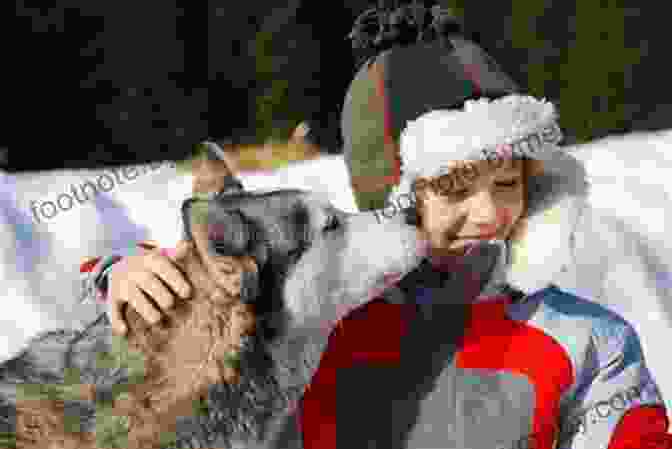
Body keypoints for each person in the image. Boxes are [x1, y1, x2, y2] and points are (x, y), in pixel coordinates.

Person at [79, 4, 672, 449]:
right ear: (393, 192)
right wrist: (123, 272)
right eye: (455, 189)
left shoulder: (587, 341)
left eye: (509, 183)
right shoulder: (316, 314)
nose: (490, 215)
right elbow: (199, 311)